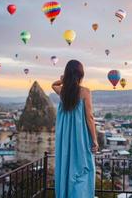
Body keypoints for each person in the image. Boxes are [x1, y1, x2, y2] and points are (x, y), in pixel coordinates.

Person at [52, 60, 98, 198]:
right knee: (84, 167)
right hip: (80, 136)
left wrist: (62, 80)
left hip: (65, 137)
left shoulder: (63, 91)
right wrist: (95, 140)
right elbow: (89, 117)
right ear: (81, 74)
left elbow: (53, 85)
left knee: (67, 165)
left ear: (67, 74)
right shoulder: (85, 92)